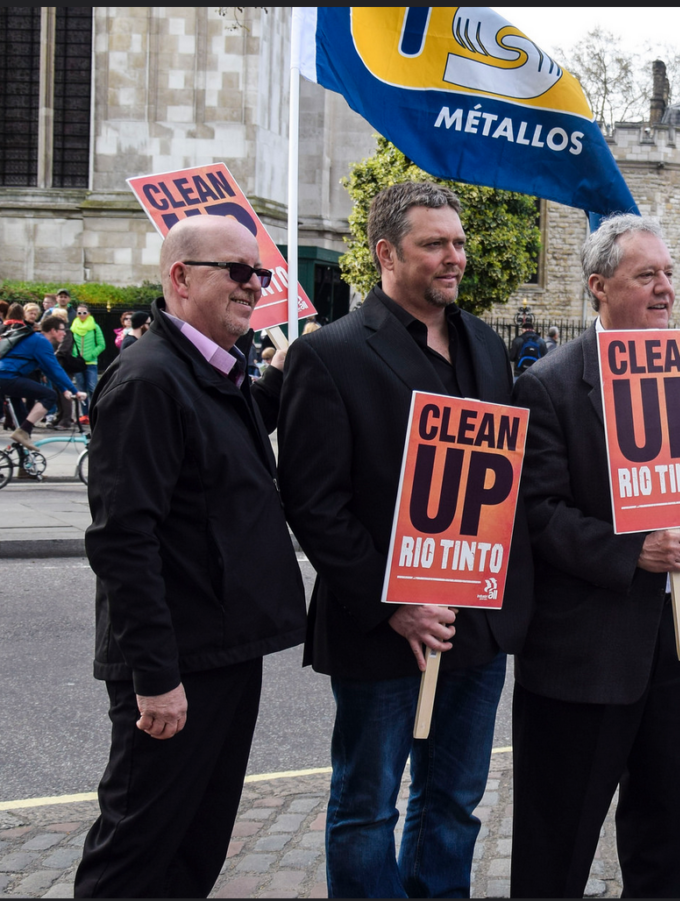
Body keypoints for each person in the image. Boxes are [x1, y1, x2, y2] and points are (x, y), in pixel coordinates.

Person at [277, 181, 533, 899]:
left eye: (457, 242)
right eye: (434, 244)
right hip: (381, 628)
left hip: (476, 629)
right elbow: (313, 502)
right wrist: (396, 601)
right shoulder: (329, 355)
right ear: (387, 253)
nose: (453, 256)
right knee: (366, 806)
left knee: (453, 802)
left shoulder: (485, 341)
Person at [74, 215, 307, 899]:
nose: (255, 285)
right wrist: (155, 676)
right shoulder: (148, 379)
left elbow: (216, 451)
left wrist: (275, 383)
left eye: (259, 272)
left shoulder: (210, 368)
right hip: (179, 663)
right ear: (181, 278)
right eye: (238, 271)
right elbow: (122, 539)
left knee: (195, 846)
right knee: (138, 849)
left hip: (226, 648)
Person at [510, 214, 680, 898]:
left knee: (674, 830)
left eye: (670, 273)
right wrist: (632, 550)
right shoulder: (547, 385)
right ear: (600, 287)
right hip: (587, 653)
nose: (666, 288)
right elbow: (537, 514)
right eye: (647, 275)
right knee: (558, 841)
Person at [0, 314, 85, 465]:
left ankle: (25, 465)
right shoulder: (41, 342)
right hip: (7, 377)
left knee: (23, 421)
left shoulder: (36, 340)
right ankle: (23, 433)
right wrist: (75, 390)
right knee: (49, 396)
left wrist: (64, 389)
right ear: (52, 330)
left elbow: (47, 370)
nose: (65, 333)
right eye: (62, 330)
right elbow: (56, 369)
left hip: (6, 377)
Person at [70, 303, 106, 415]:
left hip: (91, 363)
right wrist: (74, 356)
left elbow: (102, 344)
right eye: (79, 312)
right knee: (81, 390)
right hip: (77, 363)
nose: (81, 315)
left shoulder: (95, 327)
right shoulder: (73, 327)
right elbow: (70, 344)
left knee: (92, 388)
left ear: (88, 314)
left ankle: (95, 413)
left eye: (84, 312)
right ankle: (84, 415)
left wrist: (91, 354)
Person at [508, 311, 546, 377]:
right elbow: (545, 358)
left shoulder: (518, 340)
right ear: (533, 329)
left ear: (523, 329)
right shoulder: (541, 341)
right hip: (535, 373)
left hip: (519, 372)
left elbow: (511, 357)